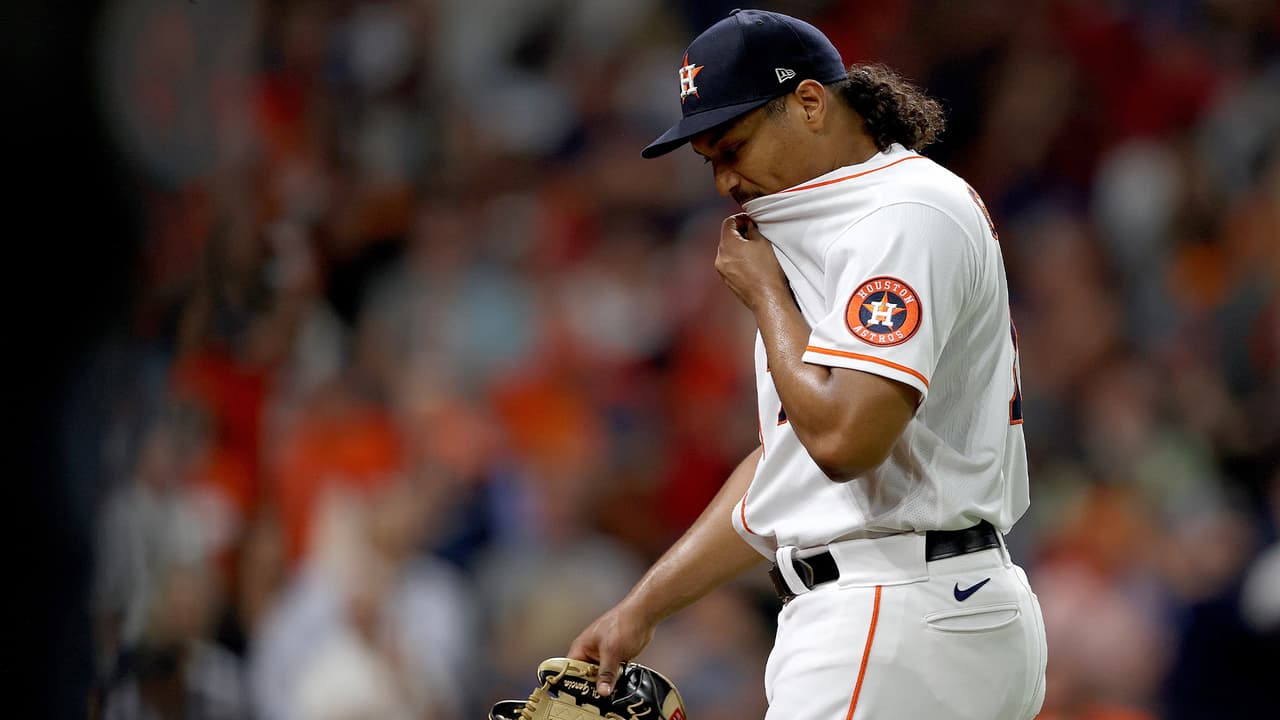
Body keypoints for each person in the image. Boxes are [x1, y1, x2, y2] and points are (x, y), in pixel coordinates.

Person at [568, 9, 1047, 719]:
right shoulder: (855, 221)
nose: (725, 180)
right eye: (710, 162)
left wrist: (765, 296)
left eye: (732, 146)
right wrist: (644, 608)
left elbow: (845, 442)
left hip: (894, 609)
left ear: (810, 102)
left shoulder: (901, 212)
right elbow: (788, 469)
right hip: (920, 608)